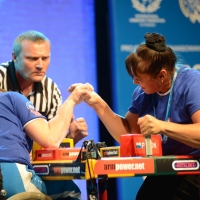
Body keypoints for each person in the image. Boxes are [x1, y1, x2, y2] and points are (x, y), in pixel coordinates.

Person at [69, 33, 200, 199]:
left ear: (162, 75)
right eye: (133, 77)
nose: (135, 83)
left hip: (194, 167)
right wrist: (97, 103)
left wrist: (162, 126)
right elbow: (128, 133)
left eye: (139, 78)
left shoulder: (193, 84)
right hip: (168, 168)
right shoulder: (143, 93)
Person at [0, 83, 93, 199]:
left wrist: (69, 138)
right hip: (10, 177)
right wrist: (72, 100)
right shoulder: (11, 98)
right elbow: (51, 139)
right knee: (68, 189)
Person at [0, 30, 87, 144]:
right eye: (32, 58)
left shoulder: (51, 91)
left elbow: (51, 145)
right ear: (15, 57)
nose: (40, 65)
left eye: (45, 58)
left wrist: (70, 138)